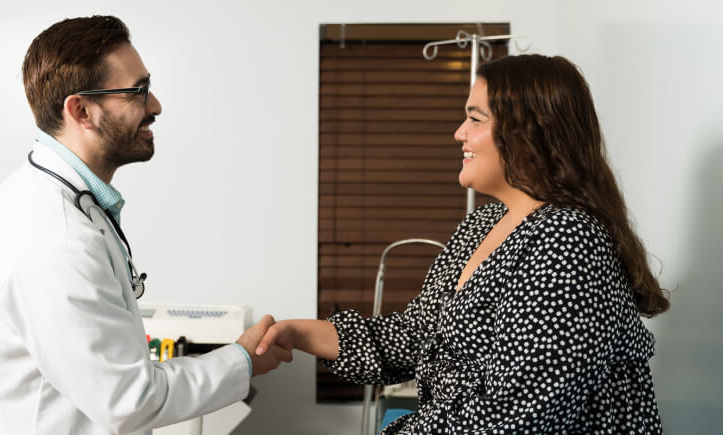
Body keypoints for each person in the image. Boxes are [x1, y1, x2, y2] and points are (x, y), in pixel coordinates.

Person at [256, 54, 670, 433]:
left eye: (475, 119)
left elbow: (518, 413)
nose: (459, 133)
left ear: (529, 133)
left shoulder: (567, 241)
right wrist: (298, 333)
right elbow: (420, 334)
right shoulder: (484, 223)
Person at [0, 16, 291, 434]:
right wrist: (242, 359)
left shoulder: (55, 198)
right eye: (137, 91)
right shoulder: (53, 237)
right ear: (81, 110)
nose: (155, 106)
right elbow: (128, 400)